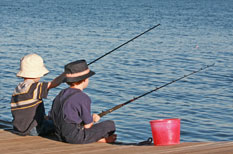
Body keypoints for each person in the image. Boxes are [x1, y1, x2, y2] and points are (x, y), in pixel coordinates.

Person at [49, 60, 116, 144]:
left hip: (58, 135)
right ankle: (101, 140)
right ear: (85, 80)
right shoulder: (83, 97)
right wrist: (93, 119)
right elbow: (88, 126)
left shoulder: (61, 93)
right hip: (75, 138)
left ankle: (97, 139)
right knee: (110, 124)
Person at [11, 53, 65, 136]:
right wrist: (64, 75)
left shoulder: (18, 88)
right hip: (34, 129)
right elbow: (52, 84)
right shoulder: (34, 87)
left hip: (19, 128)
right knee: (59, 125)